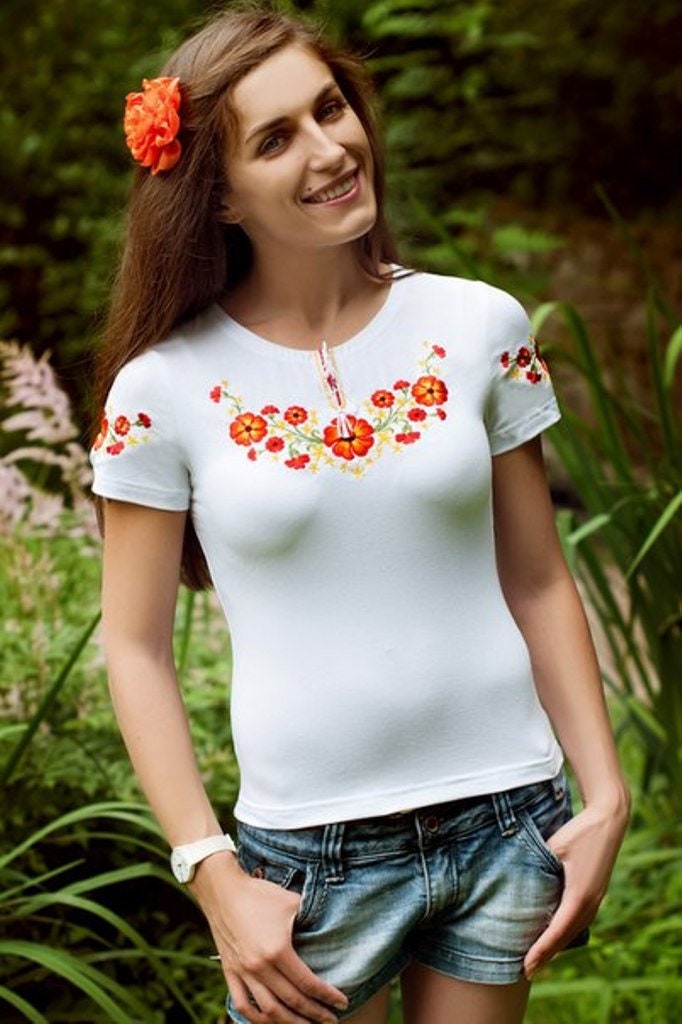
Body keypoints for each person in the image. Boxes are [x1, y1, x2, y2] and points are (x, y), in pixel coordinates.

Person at [90, 5, 630, 1023]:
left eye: (330, 108)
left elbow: (536, 577)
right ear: (219, 197)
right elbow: (135, 648)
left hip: (505, 818)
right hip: (307, 856)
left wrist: (605, 795)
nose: (330, 148)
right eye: (275, 139)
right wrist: (211, 870)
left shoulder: (478, 324)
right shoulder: (161, 390)